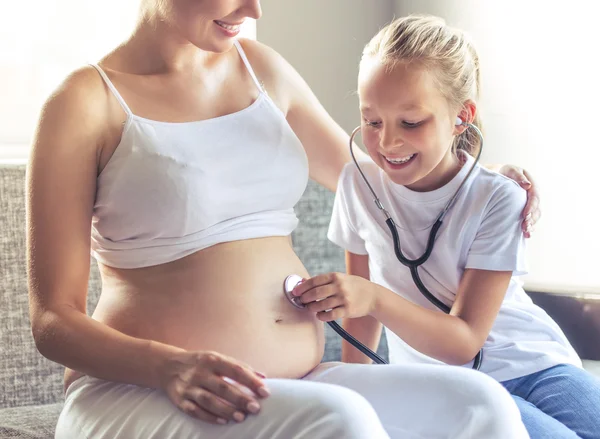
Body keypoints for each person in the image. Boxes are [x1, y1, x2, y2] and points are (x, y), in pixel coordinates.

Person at [27, 2, 538, 438]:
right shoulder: (83, 103)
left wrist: (478, 179)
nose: (254, 11)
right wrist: (168, 367)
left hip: (297, 381)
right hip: (140, 389)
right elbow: (52, 321)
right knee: (343, 420)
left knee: (481, 405)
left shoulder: (259, 69)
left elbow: (373, 173)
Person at [291, 14, 600, 439]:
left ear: (461, 116)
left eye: (411, 122)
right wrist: (358, 391)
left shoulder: (498, 196)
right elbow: (360, 319)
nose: (386, 142)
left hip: (537, 365)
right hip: (448, 387)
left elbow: (464, 340)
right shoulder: (357, 187)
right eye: (372, 120)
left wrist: (372, 297)